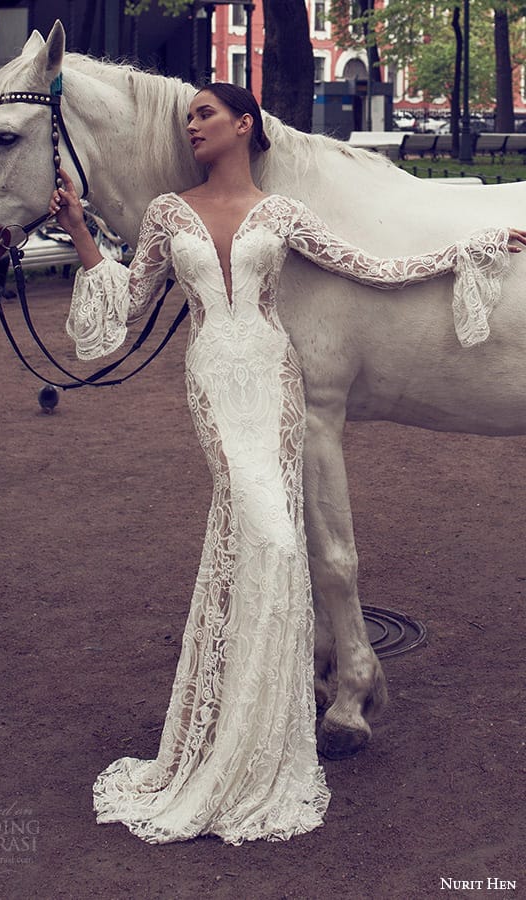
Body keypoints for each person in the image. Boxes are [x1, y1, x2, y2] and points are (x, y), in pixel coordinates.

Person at [50, 83, 526, 845]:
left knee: (271, 538)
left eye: (206, 113)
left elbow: (374, 269)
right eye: (188, 117)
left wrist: (466, 249)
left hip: (273, 376)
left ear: (246, 126)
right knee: (258, 533)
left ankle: (286, 699)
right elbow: (127, 298)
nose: (192, 124)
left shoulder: (285, 214)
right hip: (215, 381)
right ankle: (256, 706)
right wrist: (78, 230)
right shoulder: (167, 213)